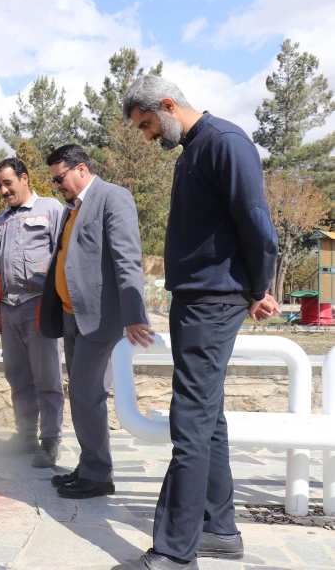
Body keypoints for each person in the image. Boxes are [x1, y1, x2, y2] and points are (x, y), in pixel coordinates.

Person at [112, 75, 279, 570]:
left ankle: (175, 551)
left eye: (146, 124)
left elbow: (257, 222)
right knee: (209, 420)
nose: (147, 136)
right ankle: (219, 530)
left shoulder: (226, 142)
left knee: (189, 420)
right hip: (196, 299)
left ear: (167, 104)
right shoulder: (192, 150)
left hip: (214, 301)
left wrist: (259, 287)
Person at [39, 144, 154, 500]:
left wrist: (135, 315)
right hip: (71, 315)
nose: (57, 186)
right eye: (54, 181)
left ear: (82, 169)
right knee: (81, 395)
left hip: (99, 319)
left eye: (60, 179)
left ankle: (98, 475)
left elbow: (127, 257)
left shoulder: (112, 197)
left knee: (87, 395)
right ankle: (90, 464)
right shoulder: (74, 207)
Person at [0, 157, 65, 467]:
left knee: (47, 377)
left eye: (8, 183)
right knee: (18, 376)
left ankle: (50, 441)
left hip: (39, 305)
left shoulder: (51, 209)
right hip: (9, 308)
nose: (3, 190)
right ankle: (25, 436)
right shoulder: (0, 219)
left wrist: (57, 302)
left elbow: (62, 254)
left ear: (25, 178)